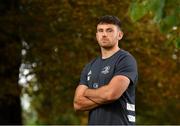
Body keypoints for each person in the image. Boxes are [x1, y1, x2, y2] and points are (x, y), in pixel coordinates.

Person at [73, 15, 138, 125]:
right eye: (100, 31)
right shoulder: (90, 66)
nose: (104, 34)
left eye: (109, 30)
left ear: (120, 35)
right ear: (96, 35)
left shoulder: (125, 60)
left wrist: (87, 92)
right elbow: (78, 104)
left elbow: (111, 94)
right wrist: (104, 96)